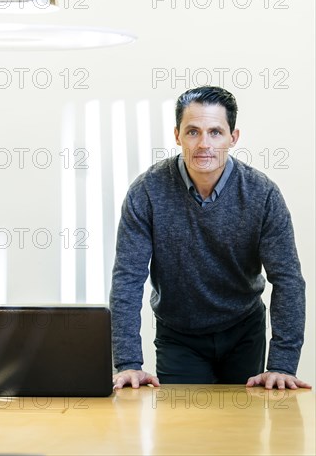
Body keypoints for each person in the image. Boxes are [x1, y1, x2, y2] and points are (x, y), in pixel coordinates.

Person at [110, 86, 311, 391]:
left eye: (216, 132)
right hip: (179, 336)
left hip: (243, 330)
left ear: (234, 137)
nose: (204, 144)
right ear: (177, 135)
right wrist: (127, 363)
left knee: (242, 432)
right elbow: (127, 278)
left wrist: (281, 365)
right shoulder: (147, 192)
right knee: (182, 433)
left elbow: (288, 280)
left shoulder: (263, 195)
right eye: (193, 132)